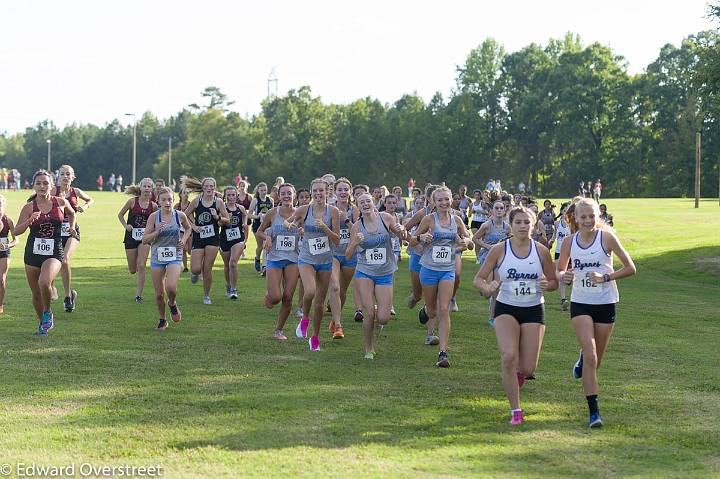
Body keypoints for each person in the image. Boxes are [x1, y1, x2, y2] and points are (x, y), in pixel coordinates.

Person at [474, 205, 558, 425]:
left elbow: (553, 282)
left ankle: (517, 376)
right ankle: (516, 410)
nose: (523, 226)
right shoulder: (499, 250)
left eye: (527, 222)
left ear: (534, 225)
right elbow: (478, 279)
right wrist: (488, 287)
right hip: (506, 307)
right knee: (509, 356)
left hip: (533, 309)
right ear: (510, 226)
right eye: (518, 222)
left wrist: (546, 284)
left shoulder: (541, 250)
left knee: (528, 368)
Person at [557, 198, 636, 428]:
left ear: (597, 217)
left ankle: (583, 360)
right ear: (576, 219)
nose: (588, 220)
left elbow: (631, 267)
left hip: (605, 302)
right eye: (584, 217)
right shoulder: (569, 242)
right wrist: (565, 276)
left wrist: (606, 277)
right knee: (591, 355)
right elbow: (560, 271)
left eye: (592, 216)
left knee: (595, 361)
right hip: (580, 303)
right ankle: (594, 413)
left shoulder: (607, 238)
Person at [410, 186, 472, 367]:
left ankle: (443, 353)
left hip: (447, 269)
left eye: (447, 199)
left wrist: (465, 241)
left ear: (451, 200)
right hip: (428, 269)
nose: (444, 203)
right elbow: (413, 240)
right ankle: (425, 310)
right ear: (433, 203)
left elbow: (469, 242)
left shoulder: (457, 220)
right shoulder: (429, 219)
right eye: (440, 200)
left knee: (444, 309)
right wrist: (421, 239)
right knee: (433, 311)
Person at [15, 170, 76, 336]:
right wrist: (29, 221)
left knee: (44, 282)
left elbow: (72, 213)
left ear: (51, 185)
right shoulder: (29, 207)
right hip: (33, 253)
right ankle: (42, 325)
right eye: (39, 183)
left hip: (54, 252)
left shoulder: (61, 202)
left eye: (46, 183)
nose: (42, 186)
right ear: (34, 186)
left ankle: (48, 312)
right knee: (35, 293)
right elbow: (16, 231)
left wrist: (71, 227)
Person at [345, 193, 405, 359]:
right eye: (361, 202)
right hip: (365, 272)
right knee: (369, 313)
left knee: (384, 319)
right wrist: (355, 242)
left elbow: (403, 237)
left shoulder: (385, 218)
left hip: (385, 272)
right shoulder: (357, 227)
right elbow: (348, 255)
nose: (365, 204)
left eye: (368, 201)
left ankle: (379, 310)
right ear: (358, 206)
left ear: (374, 203)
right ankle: (369, 349)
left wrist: (402, 231)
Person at [283, 178, 340, 351]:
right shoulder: (304, 210)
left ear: (327, 192)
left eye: (321, 191)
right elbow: (288, 221)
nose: (318, 194)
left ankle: (315, 338)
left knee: (320, 304)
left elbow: (337, 240)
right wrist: (289, 224)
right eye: (314, 191)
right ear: (311, 193)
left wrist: (324, 227)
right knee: (310, 291)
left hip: (325, 261)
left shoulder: (334, 212)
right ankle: (304, 318)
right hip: (307, 258)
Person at [142, 186, 191, 330]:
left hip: (174, 255)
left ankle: (172, 303)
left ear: (173, 200)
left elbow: (188, 228)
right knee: (158, 295)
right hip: (157, 257)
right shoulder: (154, 217)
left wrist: (184, 239)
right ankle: (163, 319)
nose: (167, 202)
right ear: (158, 201)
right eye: (164, 200)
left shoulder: (179, 215)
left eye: (170, 199)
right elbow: (145, 239)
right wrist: (157, 231)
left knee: (171, 287)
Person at [256, 183, 301, 340]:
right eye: (284, 193)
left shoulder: (300, 214)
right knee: (276, 298)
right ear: (278, 196)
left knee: (288, 297)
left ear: (294, 195)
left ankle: (279, 330)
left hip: (293, 259)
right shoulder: (272, 213)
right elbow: (259, 231)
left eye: (289, 193)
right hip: (274, 258)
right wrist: (267, 237)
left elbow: (307, 233)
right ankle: (269, 294)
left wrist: (303, 232)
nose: (287, 196)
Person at [183, 176, 229, 305]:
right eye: (207, 186)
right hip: (199, 237)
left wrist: (217, 216)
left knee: (207, 268)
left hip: (213, 237)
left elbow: (227, 219)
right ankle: (194, 273)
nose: (209, 188)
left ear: (214, 188)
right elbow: (185, 215)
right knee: (197, 268)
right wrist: (193, 226)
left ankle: (206, 296)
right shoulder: (197, 201)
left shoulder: (218, 202)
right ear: (203, 188)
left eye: (212, 186)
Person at [54, 164, 94, 312]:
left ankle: (67, 297)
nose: (65, 176)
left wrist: (85, 207)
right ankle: (69, 292)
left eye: (68, 174)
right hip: (56, 232)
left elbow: (91, 200)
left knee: (64, 260)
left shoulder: (75, 191)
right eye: (62, 174)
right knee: (54, 262)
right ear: (58, 176)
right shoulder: (53, 191)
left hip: (72, 231)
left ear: (73, 177)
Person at [327, 178, 358, 339]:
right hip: (333, 254)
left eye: (346, 189)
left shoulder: (355, 210)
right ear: (334, 192)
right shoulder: (330, 210)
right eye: (340, 189)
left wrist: (346, 219)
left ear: (350, 192)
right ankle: (338, 326)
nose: (343, 192)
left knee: (343, 292)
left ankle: (334, 319)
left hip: (350, 254)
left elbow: (358, 233)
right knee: (335, 288)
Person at [117, 178, 157, 302]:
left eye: (149, 186)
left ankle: (138, 295)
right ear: (140, 188)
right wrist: (126, 226)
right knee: (132, 269)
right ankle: (137, 291)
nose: (146, 188)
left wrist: (153, 234)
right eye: (144, 186)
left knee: (141, 265)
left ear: (152, 189)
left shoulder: (154, 206)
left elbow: (157, 221)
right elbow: (120, 215)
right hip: (131, 236)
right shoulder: (132, 202)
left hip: (145, 238)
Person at [219, 186, 248, 300]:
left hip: (238, 238)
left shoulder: (240, 208)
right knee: (227, 265)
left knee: (233, 263)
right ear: (225, 197)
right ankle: (229, 284)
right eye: (228, 195)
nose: (231, 197)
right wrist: (225, 219)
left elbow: (245, 215)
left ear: (236, 195)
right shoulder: (222, 209)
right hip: (224, 238)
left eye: (233, 195)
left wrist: (244, 223)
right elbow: (218, 225)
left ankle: (233, 289)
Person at [548, 202, 572, 310]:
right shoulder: (557, 224)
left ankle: (576, 297)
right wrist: (551, 241)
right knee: (561, 275)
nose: (566, 212)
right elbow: (555, 236)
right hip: (559, 252)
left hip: (571, 253)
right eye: (565, 210)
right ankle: (563, 300)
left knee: (570, 277)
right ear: (561, 211)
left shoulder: (573, 224)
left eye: (569, 210)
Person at [248, 182, 274, 275]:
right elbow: (249, 215)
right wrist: (258, 216)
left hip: (268, 226)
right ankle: (257, 258)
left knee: (265, 246)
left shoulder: (270, 200)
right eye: (262, 190)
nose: (263, 192)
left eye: (265, 190)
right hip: (257, 226)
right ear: (258, 191)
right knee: (260, 246)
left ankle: (265, 266)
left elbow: (273, 213)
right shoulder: (255, 200)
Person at [0, 195, 18, 313]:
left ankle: (0, 305)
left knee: (1, 280)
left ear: (4, 205)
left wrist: (7, 245)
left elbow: (16, 240)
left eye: (0, 204)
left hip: (4, 252)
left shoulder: (8, 220)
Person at [174, 188, 192, 272]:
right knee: (183, 248)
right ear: (180, 195)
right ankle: (185, 267)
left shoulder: (191, 204)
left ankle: (193, 265)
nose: (186, 194)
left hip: (191, 229)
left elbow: (193, 217)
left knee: (190, 250)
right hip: (180, 230)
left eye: (187, 193)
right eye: (184, 193)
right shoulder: (177, 206)